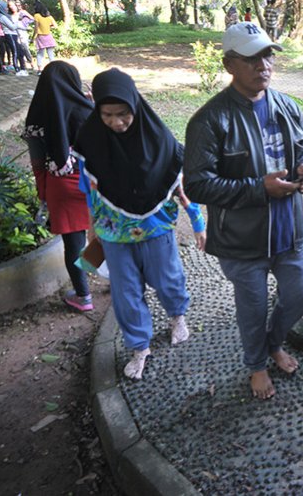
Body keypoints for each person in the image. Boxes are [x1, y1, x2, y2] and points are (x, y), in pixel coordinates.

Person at [183, 22, 303, 400]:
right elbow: (196, 184)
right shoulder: (209, 120)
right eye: (252, 58)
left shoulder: (288, 107)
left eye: (268, 55)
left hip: (289, 230)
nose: (264, 64)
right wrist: (259, 188)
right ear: (229, 65)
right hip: (242, 240)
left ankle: (272, 344)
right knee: (252, 308)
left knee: (300, 297)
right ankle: (256, 365)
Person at [73, 68, 207, 380]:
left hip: (155, 229)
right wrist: (93, 233)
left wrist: (198, 221)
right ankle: (139, 346)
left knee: (168, 279)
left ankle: (177, 318)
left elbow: (181, 187)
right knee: (125, 292)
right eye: (107, 114)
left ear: (135, 105)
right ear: (97, 109)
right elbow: (89, 192)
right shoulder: (89, 141)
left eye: (123, 114)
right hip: (113, 235)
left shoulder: (160, 140)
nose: (116, 122)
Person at [22, 61, 94, 311]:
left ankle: (84, 296)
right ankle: (112, 281)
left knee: (74, 244)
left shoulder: (35, 119)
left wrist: (44, 196)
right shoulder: (88, 108)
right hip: (94, 183)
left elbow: (38, 165)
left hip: (61, 188)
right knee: (102, 235)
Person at [0, 0, 25, 74]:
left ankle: (21, 67)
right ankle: (16, 68)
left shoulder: (7, 15)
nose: (7, 8)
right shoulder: (2, 17)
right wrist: (19, 23)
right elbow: (12, 27)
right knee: (15, 51)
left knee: (19, 51)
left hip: (14, 34)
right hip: (9, 34)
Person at [9, 0, 34, 73]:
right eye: (16, 5)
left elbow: (32, 19)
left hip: (23, 32)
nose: (18, 6)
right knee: (19, 49)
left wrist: (25, 22)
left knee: (25, 48)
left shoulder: (23, 12)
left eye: (19, 5)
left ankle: (31, 62)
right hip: (15, 32)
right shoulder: (12, 14)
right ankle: (23, 65)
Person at [33, 0, 57, 74]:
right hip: (49, 36)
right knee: (51, 54)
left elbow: (36, 29)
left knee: (40, 54)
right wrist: (48, 27)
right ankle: (53, 70)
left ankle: (39, 70)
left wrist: (33, 37)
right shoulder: (49, 16)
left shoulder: (37, 16)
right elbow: (55, 26)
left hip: (41, 37)